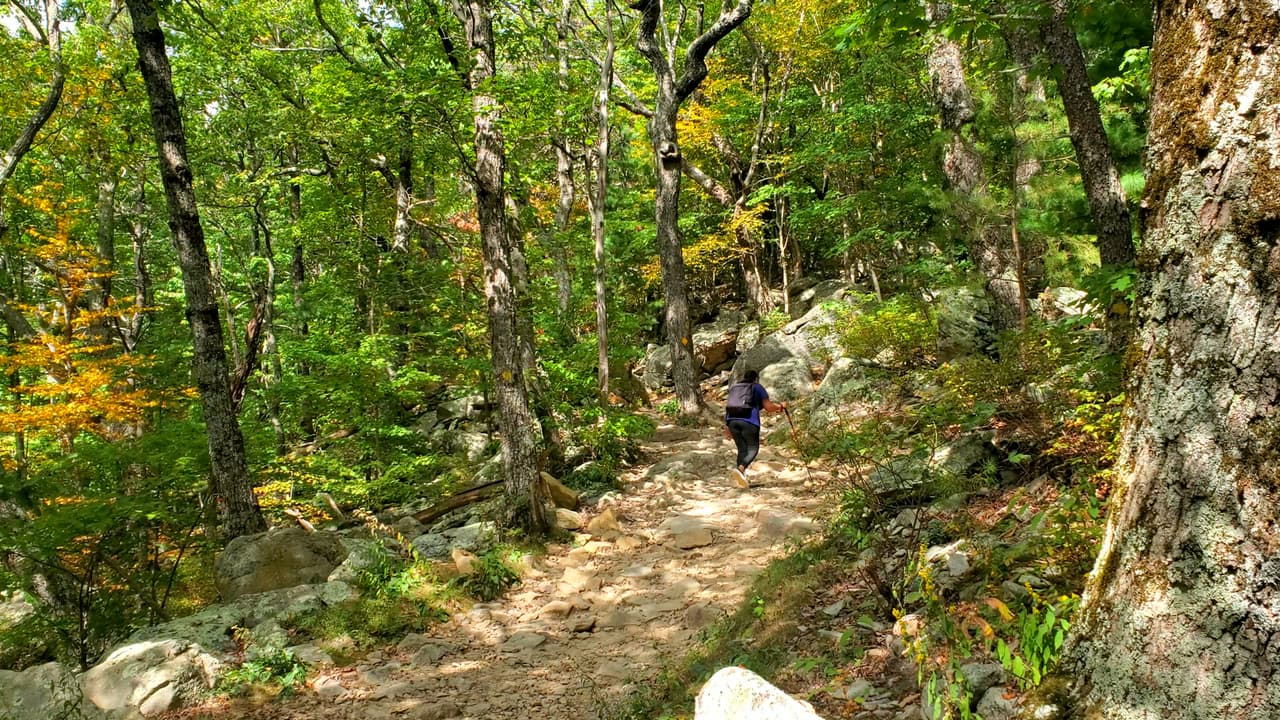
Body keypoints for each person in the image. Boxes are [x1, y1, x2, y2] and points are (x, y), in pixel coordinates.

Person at [723, 369, 785, 488]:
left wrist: (727, 427)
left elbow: (729, 407)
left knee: (742, 450)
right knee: (753, 448)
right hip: (749, 421)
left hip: (732, 421)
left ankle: (740, 480)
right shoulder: (757, 387)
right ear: (756, 378)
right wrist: (780, 407)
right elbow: (768, 407)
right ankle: (740, 470)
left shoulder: (735, 388)